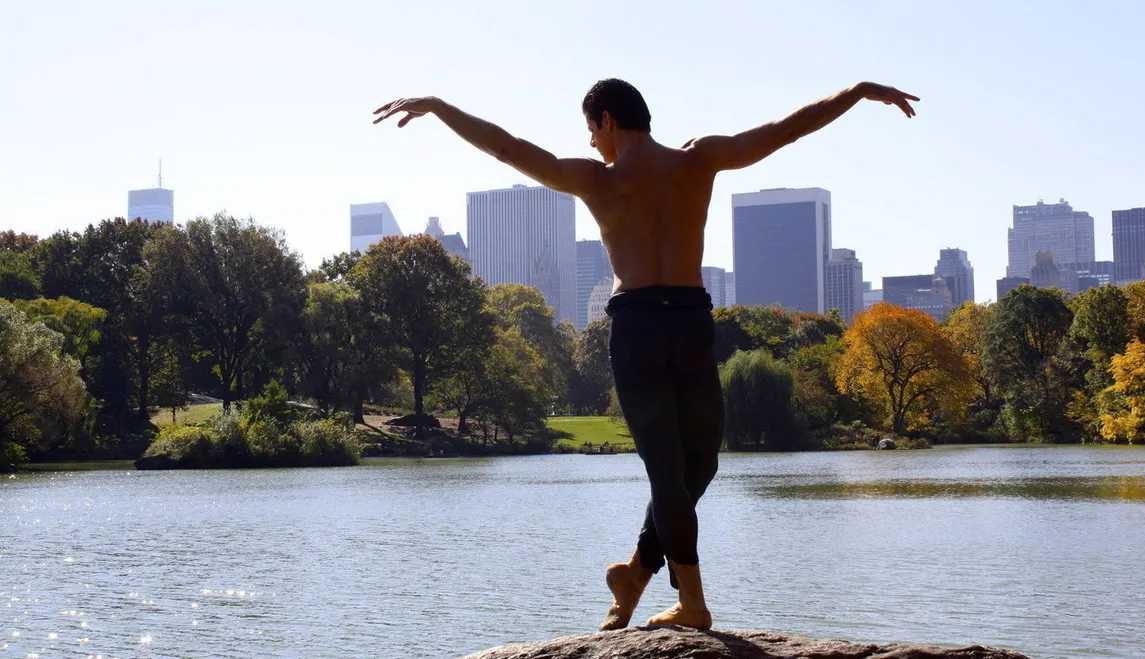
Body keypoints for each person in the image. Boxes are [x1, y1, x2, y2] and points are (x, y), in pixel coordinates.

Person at [373, 79, 918, 631]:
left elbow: (507, 148)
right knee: (673, 469)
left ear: (607, 120)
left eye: (591, 130)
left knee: (696, 464)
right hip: (677, 319)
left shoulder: (611, 176)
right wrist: (855, 93)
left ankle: (636, 573)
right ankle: (691, 602)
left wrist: (439, 107)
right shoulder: (691, 161)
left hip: (651, 323)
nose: (591, 142)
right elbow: (785, 131)